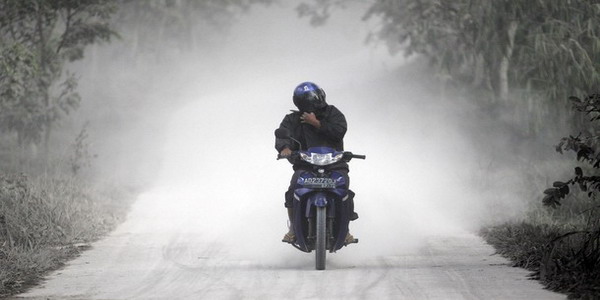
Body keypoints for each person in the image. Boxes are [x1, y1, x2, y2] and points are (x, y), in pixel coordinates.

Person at [275, 81, 357, 244]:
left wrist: (316, 123)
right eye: (311, 98)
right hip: (305, 165)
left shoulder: (333, 113)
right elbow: (282, 136)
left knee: (344, 191)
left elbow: (339, 131)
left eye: (316, 95)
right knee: (293, 191)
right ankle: (293, 229)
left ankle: (345, 230)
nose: (316, 99)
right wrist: (285, 148)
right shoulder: (292, 119)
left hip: (335, 164)